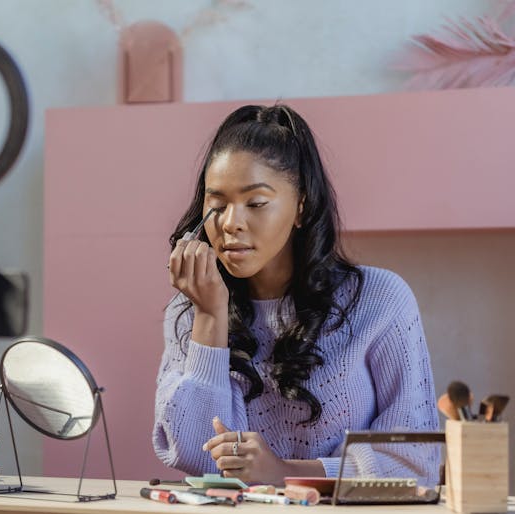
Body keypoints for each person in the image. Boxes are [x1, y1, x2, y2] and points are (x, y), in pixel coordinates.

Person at [152, 104, 439, 486]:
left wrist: (286, 473)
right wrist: (209, 317)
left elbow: (417, 459)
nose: (230, 223)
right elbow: (193, 455)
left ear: (300, 207)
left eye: (255, 203)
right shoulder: (191, 309)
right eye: (217, 204)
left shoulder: (380, 299)